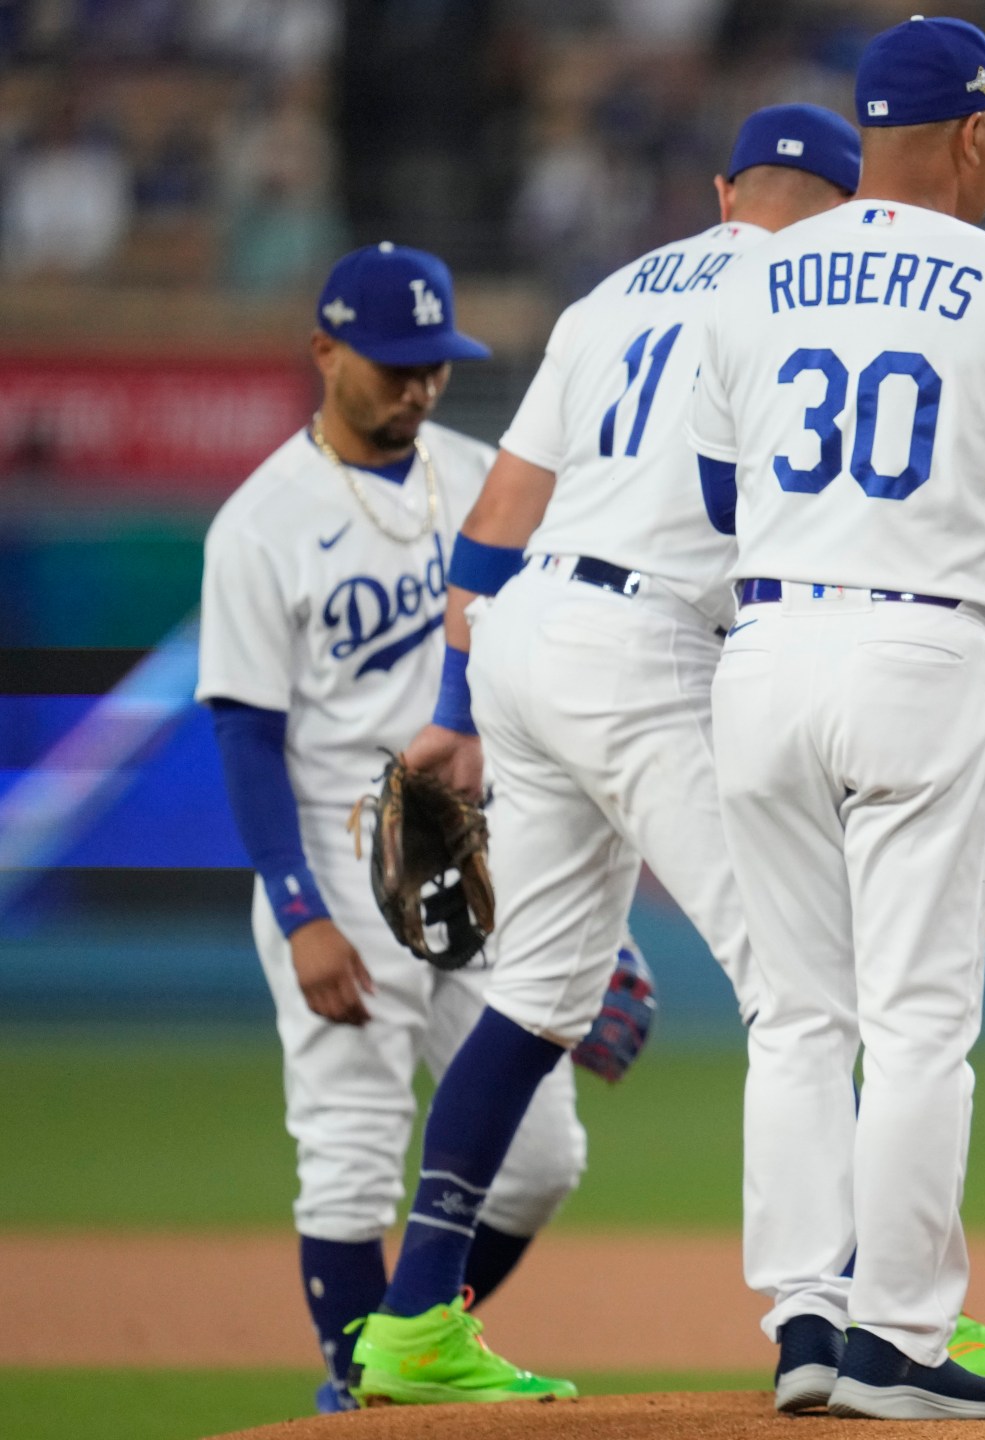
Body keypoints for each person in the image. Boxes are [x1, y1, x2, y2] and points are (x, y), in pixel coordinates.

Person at [384, 101, 985, 1414]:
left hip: (528, 635)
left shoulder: (608, 296)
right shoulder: (812, 293)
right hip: (650, 645)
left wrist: (461, 704)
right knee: (805, 985)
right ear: (844, 201)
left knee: (539, 993)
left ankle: (414, 1317)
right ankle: (882, 1311)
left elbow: (496, 516)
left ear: (723, 189)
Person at [689, 17, 985, 1422]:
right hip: (918, 653)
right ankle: (902, 1342)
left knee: (797, 1019)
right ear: (978, 135)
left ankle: (804, 1320)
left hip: (762, 652)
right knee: (917, 1026)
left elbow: (719, 503)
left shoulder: (752, 278)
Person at [196, 242, 587, 1415]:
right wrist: (299, 914)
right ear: (325, 352)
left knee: (540, 1162)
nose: (419, 386)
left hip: (478, 866)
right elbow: (246, 738)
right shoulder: (259, 523)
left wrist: (588, 923)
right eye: (396, 364)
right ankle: (353, 1392)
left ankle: (407, 1342)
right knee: (352, 1155)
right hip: (336, 861)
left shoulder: (480, 476)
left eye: (435, 363)